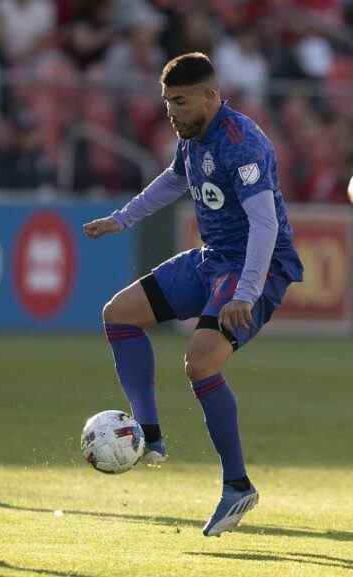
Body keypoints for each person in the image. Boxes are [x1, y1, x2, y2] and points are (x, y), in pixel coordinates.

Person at [83, 52, 303, 537]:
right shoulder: (193, 140)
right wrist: (122, 218)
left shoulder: (240, 143)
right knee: (119, 315)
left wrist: (246, 292)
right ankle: (151, 435)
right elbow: (173, 181)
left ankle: (237, 485)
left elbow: (265, 226)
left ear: (210, 95)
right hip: (212, 258)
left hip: (254, 266)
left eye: (180, 102)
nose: (172, 112)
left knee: (201, 362)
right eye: (166, 103)